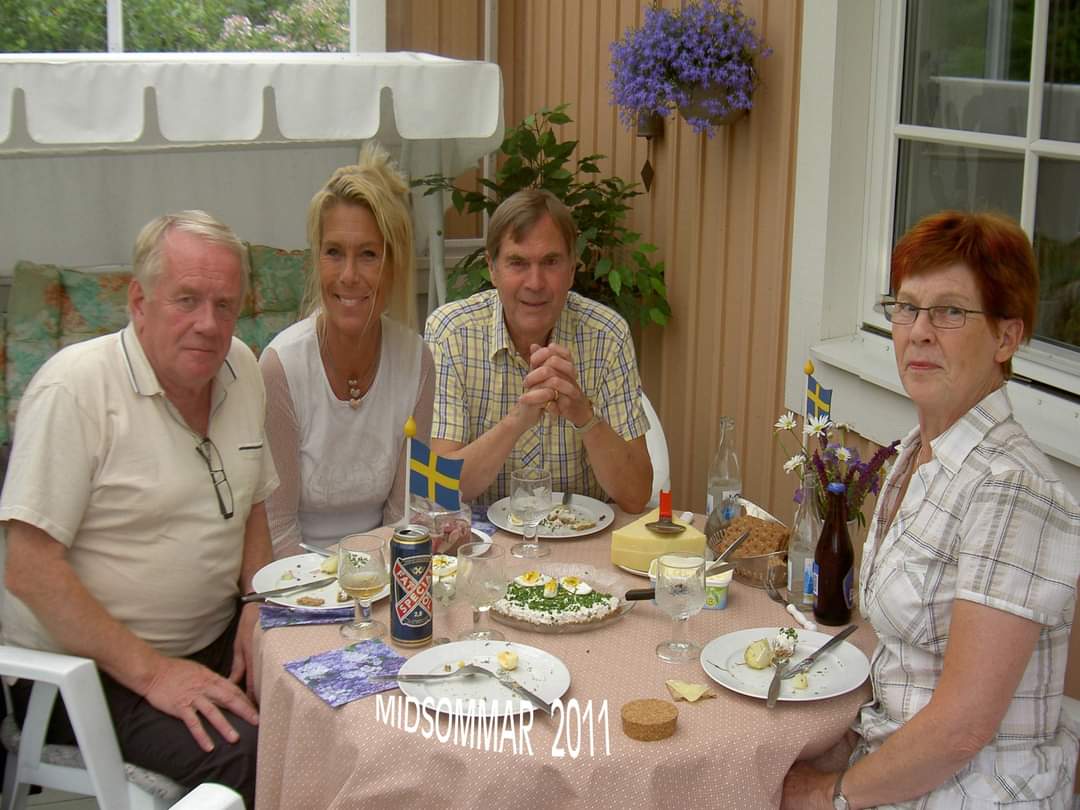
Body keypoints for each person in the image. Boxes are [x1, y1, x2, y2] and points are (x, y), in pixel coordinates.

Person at [782, 211, 1080, 809]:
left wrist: (827, 795)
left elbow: (962, 729)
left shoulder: (1011, 489)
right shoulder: (918, 456)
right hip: (893, 762)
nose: (918, 331)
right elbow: (893, 645)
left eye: (949, 312)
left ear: (1006, 338)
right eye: (907, 307)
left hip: (971, 792)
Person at [0, 211, 278, 807]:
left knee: (337, 699)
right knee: (263, 760)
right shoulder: (73, 390)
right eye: (187, 300)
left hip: (215, 639)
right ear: (138, 301)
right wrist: (154, 672)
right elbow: (28, 568)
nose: (208, 324)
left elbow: (254, 503)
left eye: (225, 305)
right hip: (90, 674)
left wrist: (256, 603)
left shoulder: (243, 368)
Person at [424, 189, 651, 512]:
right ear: (492, 268)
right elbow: (437, 489)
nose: (535, 282)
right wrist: (518, 420)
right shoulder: (450, 333)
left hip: (587, 537)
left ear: (571, 270)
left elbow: (636, 495)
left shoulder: (607, 335)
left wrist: (584, 416)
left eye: (551, 262)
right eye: (517, 263)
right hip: (482, 538)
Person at [261, 143, 434, 556]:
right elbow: (277, 529)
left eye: (369, 255)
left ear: (394, 265)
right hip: (296, 576)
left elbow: (407, 510)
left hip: (384, 568)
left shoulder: (417, 360)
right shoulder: (280, 368)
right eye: (334, 253)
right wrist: (336, 587)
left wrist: (370, 580)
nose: (349, 275)